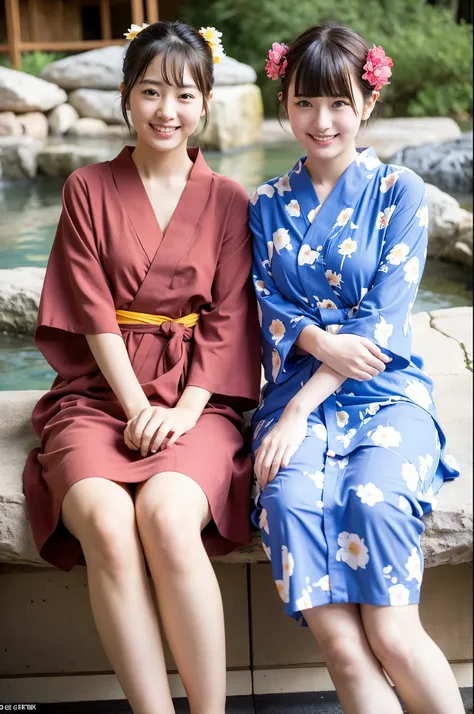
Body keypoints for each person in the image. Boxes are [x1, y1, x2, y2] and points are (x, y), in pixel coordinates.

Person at [23, 20, 261, 714]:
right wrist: (135, 410)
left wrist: (183, 410)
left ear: (206, 104)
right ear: (126, 97)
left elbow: (228, 319)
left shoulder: (228, 201)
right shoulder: (87, 189)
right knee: (100, 514)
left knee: (164, 510)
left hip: (196, 399)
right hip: (99, 395)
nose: (166, 109)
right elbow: (92, 311)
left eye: (184, 94)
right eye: (151, 91)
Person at [250, 23, 463, 714]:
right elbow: (268, 304)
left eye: (339, 102)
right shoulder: (264, 204)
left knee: (393, 631)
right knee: (288, 507)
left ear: (367, 103)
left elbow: (382, 320)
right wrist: (317, 346)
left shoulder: (400, 192)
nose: (322, 121)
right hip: (295, 397)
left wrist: (302, 403)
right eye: (305, 101)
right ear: (284, 102)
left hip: (385, 397)